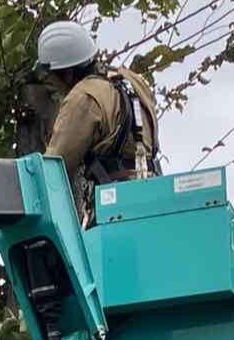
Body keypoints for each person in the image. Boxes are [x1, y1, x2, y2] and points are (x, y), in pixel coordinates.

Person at [34, 21, 161, 221]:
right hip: (155, 193)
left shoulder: (84, 97)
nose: (50, 82)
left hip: (116, 206)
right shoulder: (132, 81)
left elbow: (55, 166)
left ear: (67, 72)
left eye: (51, 75)